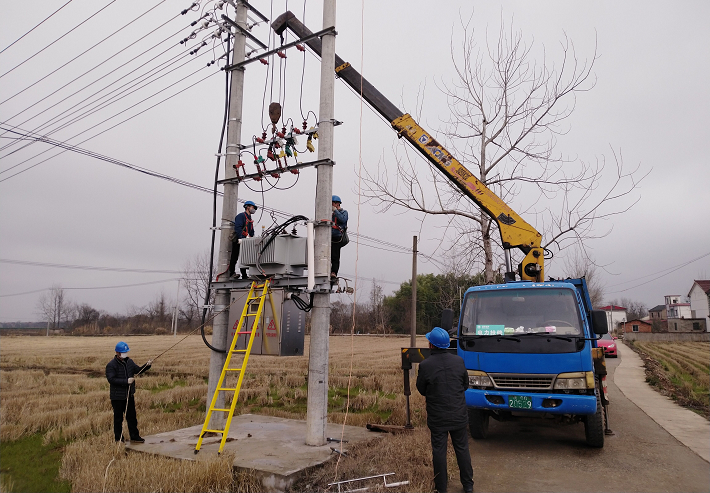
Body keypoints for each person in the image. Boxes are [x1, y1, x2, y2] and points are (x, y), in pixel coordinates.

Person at [416, 327, 474, 493]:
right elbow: (465, 385)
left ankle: (441, 488)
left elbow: (421, 389)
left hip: (437, 417)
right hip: (459, 415)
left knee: (439, 451)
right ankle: (468, 486)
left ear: (431, 345)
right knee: (462, 449)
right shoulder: (459, 361)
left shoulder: (425, 365)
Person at [106, 341, 152, 443]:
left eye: (126, 352)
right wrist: (126, 381)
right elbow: (111, 379)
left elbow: (138, 370)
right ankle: (119, 439)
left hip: (129, 395)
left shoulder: (129, 362)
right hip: (117, 397)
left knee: (132, 417)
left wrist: (147, 365)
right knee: (118, 419)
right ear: (117, 353)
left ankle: (135, 436)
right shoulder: (111, 365)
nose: (125, 354)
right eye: (123, 352)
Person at [228, 200, 257, 279]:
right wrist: (240, 238)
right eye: (252, 207)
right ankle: (232, 273)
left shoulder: (249, 218)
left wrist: (252, 237)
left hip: (246, 241)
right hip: (239, 240)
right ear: (247, 207)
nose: (253, 209)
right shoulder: (241, 216)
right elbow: (238, 228)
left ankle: (244, 275)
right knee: (235, 256)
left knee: (244, 257)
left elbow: (251, 230)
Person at [331, 195, 348, 278]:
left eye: (332, 203)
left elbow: (342, 219)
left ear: (337, 204)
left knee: (335, 256)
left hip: (337, 237)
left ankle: (334, 272)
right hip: (328, 237)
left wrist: (335, 211)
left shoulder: (343, 212)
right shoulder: (329, 213)